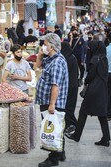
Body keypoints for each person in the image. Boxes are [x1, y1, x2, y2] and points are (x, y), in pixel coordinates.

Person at [67, 41, 111, 147]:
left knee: (83, 112)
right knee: (102, 115)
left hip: (93, 89)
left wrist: (86, 81)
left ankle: (77, 135)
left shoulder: (95, 59)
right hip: (102, 89)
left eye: (90, 48)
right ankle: (106, 138)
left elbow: (91, 75)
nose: (88, 49)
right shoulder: (104, 58)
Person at [35, 33, 68, 167]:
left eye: (46, 45)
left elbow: (56, 85)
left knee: (52, 129)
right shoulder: (50, 59)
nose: (44, 46)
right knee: (57, 127)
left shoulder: (58, 62)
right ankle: (61, 152)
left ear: (52, 46)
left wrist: (52, 104)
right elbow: (36, 67)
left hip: (53, 102)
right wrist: (39, 54)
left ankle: (53, 158)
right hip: (46, 100)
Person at [61, 42, 79, 136]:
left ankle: (72, 124)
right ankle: (72, 123)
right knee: (70, 106)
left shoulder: (65, 59)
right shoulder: (73, 57)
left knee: (67, 106)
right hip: (74, 85)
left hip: (67, 86)